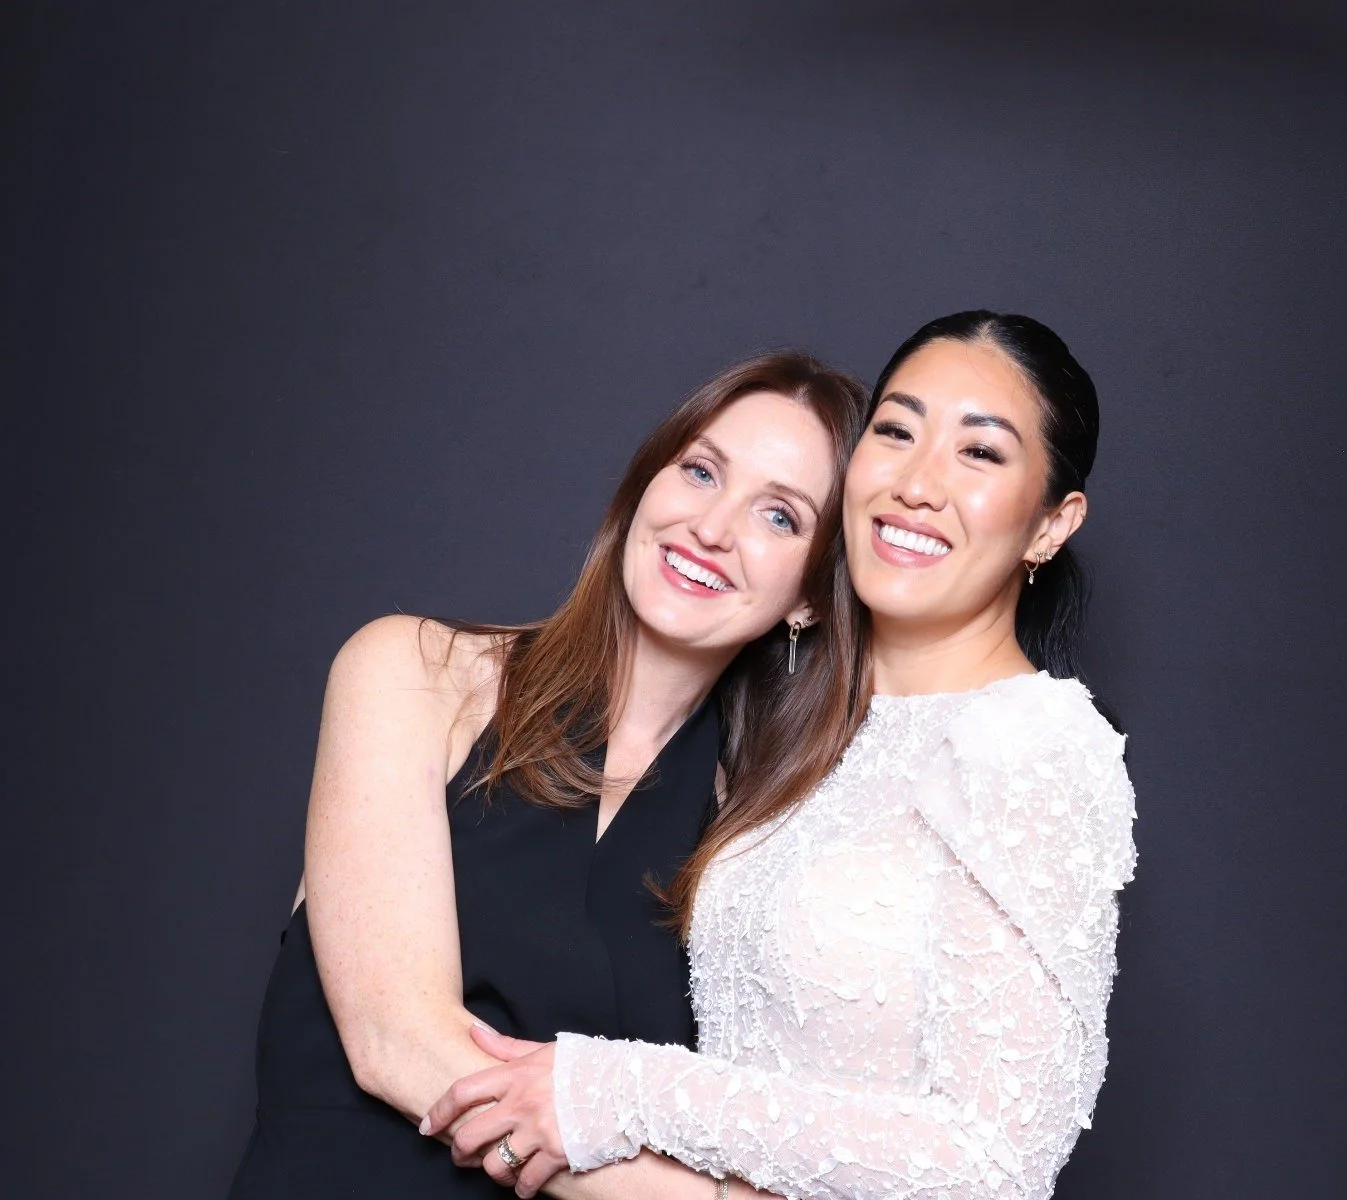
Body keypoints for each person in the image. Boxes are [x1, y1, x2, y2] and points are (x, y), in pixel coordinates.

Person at [424, 311, 1138, 1200]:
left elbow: (996, 1164)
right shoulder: (799, 732)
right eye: (897, 431)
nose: (919, 482)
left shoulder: (1030, 745)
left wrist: (615, 1089)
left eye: (980, 454)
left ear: (1051, 524)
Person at [228, 352, 868, 1199]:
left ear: (811, 599)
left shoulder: (749, 852)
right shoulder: (416, 673)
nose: (712, 527)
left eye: (779, 517)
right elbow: (400, 1046)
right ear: (646, 487)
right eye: (701, 472)